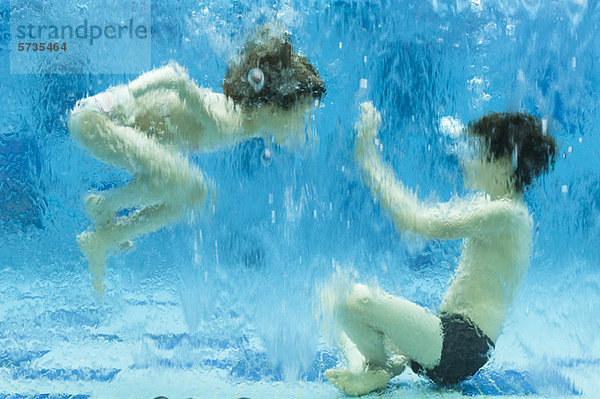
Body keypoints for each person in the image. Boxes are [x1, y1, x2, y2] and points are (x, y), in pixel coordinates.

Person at [69, 25, 325, 295]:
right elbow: (174, 78)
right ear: (274, 108)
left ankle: (103, 237)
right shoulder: (229, 121)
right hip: (98, 121)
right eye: (302, 113)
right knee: (193, 189)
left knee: (195, 195)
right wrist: (130, 97)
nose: (304, 123)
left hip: (102, 122)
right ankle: (104, 207)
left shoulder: (241, 125)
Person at [324, 102, 557, 396]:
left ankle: (376, 368)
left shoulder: (507, 214)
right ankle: (382, 366)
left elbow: (416, 221)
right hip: (444, 337)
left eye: (476, 152)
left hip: (459, 346)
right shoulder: (497, 209)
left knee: (353, 299)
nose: (466, 160)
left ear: (501, 162)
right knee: (334, 299)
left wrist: (368, 159)